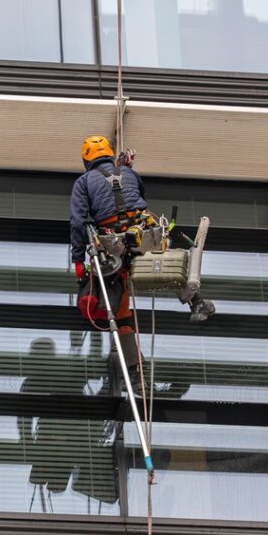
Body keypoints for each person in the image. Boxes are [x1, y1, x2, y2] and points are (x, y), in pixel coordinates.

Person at [70, 135, 215, 389]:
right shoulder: (128, 172)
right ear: (109, 154)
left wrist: (78, 261)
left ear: (86, 160)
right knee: (169, 264)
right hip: (144, 232)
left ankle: (136, 377)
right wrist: (125, 168)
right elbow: (138, 194)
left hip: (113, 243)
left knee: (122, 312)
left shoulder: (83, 182)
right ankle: (196, 302)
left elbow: (78, 222)